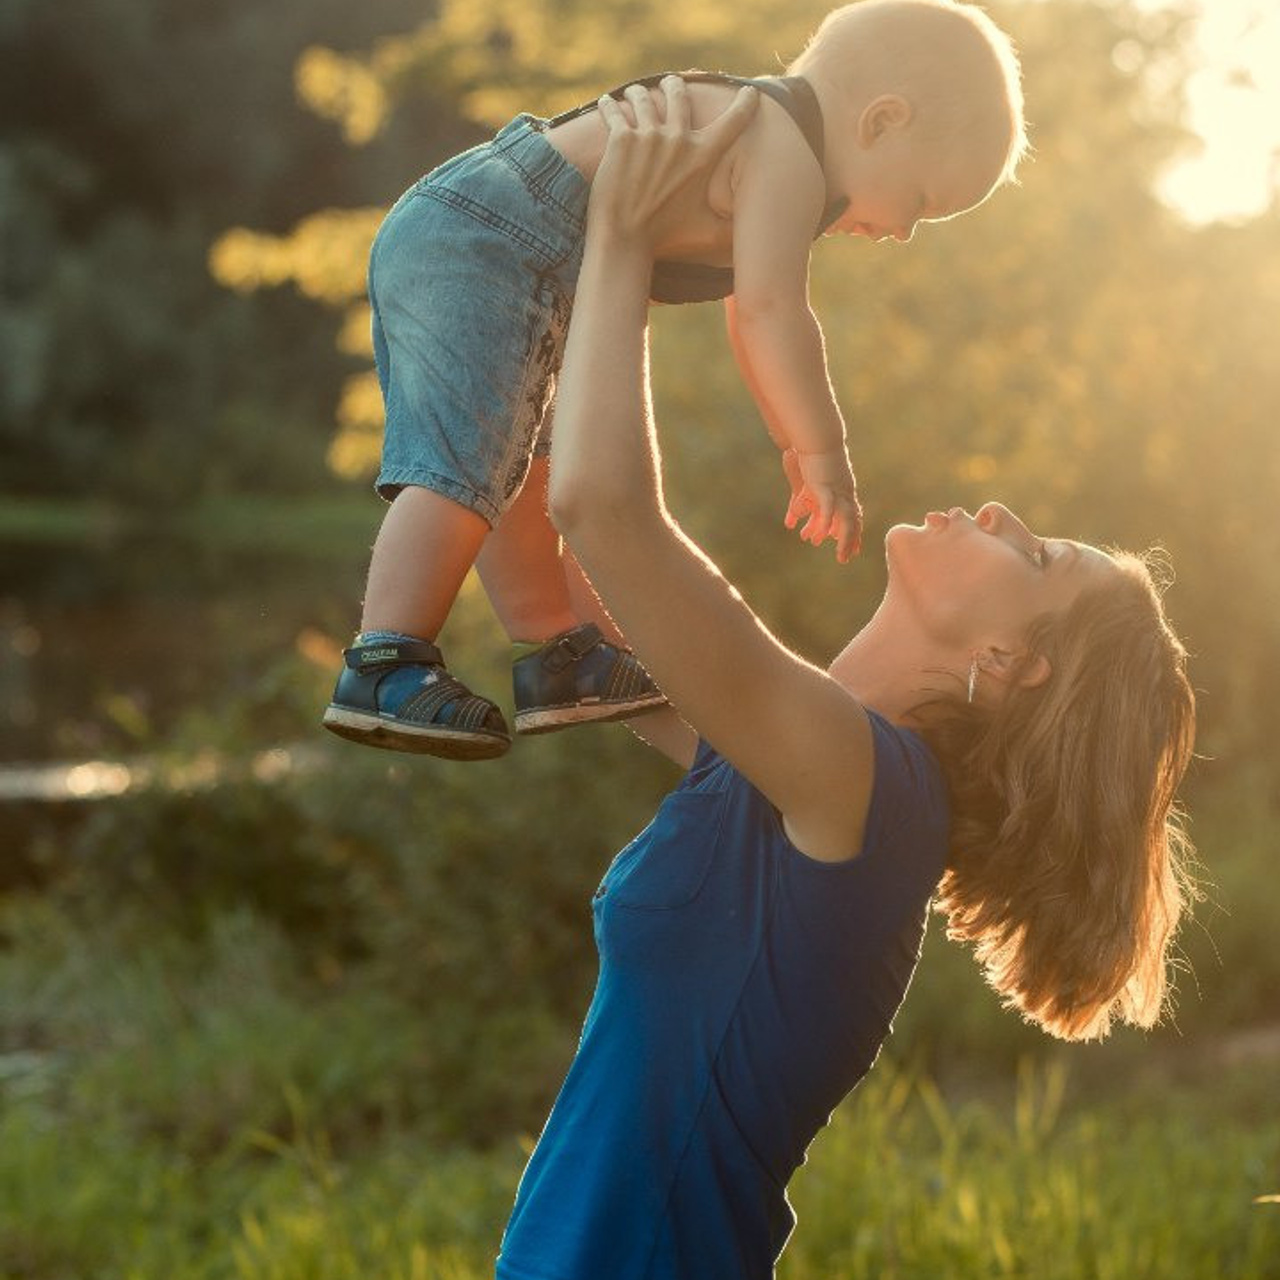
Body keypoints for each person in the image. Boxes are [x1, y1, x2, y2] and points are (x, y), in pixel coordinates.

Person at [493, 79, 1197, 1280]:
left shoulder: (870, 799)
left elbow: (603, 506)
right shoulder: (784, 768)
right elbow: (558, 587)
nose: (995, 510)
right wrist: (516, 288)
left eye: (1030, 552)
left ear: (1005, 664)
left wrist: (618, 234)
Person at [323, 0, 1029, 760]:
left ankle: (560, 653)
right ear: (882, 120)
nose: (902, 233)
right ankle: (385, 657)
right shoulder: (783, 146)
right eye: (921, 204)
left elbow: (746, 315)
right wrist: (821, 450)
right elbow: (770, 312)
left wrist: (787, 433)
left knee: (521, 463)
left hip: (496, 237)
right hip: (489, 237)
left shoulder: (769, 140)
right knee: (464, 459)